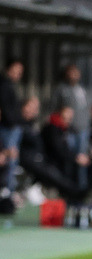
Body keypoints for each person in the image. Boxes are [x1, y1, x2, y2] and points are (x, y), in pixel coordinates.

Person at [18, 97, 85, 202]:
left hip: (39, 157)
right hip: (28, 158)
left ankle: (74, 192)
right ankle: (74, 192)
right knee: (51, 172)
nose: (33, 111)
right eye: (30, 107)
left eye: (35, 108)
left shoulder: (32, 124)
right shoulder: (18, 124)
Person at [50, 64, 91, 192]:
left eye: (76, 72)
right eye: (71, 73)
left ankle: (81, 188)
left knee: (82, 159)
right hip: (68, 130)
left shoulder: (81, 89)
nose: (74, 75)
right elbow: (54, 108)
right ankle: (67, 187)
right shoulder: (62, 89)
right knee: (69, 158)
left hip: (83, 129)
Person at [0, 59, 24, 209]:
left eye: (20, 72)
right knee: (9, 160)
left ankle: (9, 192)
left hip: (13, 127)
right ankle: (7, 193)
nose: (17, 74)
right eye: (15, 70)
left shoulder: (10, 86)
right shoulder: (4, 85)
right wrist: (13, 121)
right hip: (8, 128)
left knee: (12, 159)